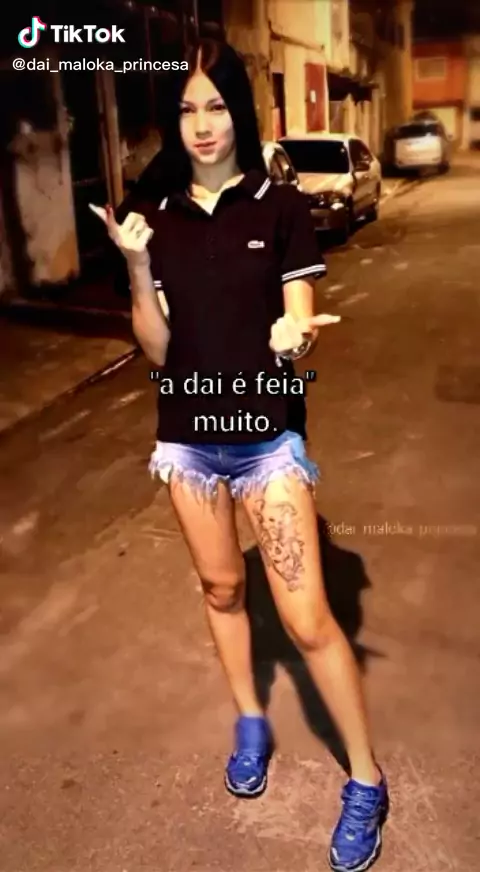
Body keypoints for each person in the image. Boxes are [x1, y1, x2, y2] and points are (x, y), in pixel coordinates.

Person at [91, 38, 389, 872]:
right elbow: (157, 352)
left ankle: (366, 780)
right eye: (187, 108)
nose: (202, 124)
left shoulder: (278, 205)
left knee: (305, 618)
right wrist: (138, 264)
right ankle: (250, 718)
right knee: (222, 588)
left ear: (239, 112)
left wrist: (293, 337)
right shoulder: (156, 217)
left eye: (216, 106)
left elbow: (297, 310)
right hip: (187, 443)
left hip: (267, 442)